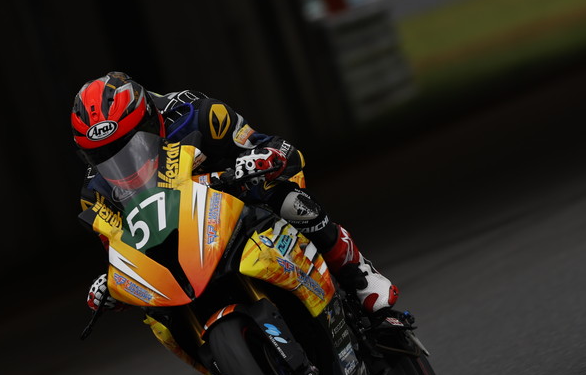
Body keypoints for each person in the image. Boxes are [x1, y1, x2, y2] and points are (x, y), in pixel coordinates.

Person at [72, 71, 398, 315]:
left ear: (149, 118)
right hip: (181, 236)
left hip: (239, 196)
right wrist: (114, 284)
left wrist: (264, 158)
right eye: (106, 155)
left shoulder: (197, 113)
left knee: (289, 201)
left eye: (132, 144)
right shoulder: (94, 192)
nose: (124, 162)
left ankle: (358, 274)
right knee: (158, 314)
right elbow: (124, 249)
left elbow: (278, 149)